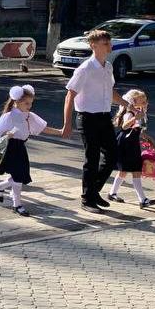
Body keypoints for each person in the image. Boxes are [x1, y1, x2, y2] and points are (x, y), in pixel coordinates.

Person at [62, 29, 132, 213]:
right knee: (91, 158)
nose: (110, 46)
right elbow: (70, 96)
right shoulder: (85, 69)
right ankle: (87, 199)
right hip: (87, 118)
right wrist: (67, 123)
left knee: (112, 156)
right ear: (94, 46)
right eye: (105, 44)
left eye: (109, 43)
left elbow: (110, 92)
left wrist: (126, 104)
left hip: (103, 117)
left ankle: (93, 192)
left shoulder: (108, 66)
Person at [0, 85, 64, 216]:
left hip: (20, 148)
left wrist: (60, 132)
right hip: (10, 148)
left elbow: (42, 128)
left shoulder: (28, 115)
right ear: (17, 102)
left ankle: (0, 187)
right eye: (26, 103)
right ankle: (17, 204)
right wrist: (8, 133)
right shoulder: (9, 116)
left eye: (31, 103)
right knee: (18, 178)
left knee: (20, 176)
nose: (29, 106)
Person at [109, 89, 155, 208]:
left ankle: (112, 193)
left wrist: (147, 138)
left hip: (130, 143)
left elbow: (136, 129)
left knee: (124, 170)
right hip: (126, 144)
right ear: (133, 102)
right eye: (142, 101)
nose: (145, 103)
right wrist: (135, 117)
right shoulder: (130, 113)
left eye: (145, 101)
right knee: (136, 170)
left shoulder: (138, 113)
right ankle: (143, 199)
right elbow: (125, 126)